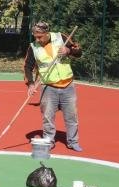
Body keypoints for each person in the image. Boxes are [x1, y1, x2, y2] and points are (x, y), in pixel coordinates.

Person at [24, 21, 83, 151]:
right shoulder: (33, 47)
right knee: (47, 117)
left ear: (47, 33)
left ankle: (73, 142)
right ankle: (49, 141)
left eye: (40, 36)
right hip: (48, 87)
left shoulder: (60, 37)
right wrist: (30, 84)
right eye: (35, 36)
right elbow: (27, 67)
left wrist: (68, 50)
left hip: (68, 85)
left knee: (71, 117)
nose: (37, 39)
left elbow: (78, 52)